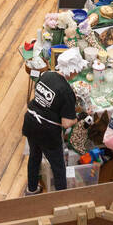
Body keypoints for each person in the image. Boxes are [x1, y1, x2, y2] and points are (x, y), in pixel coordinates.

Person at [22, 67, 78, 195]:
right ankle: (60, 198)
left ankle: (32, 189)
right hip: (47, 132)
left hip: (31, 122)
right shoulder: (66, 91)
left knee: (34, 156)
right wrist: (78, 117)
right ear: (73, 71)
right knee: (58, 166)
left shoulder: (47, 74)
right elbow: (66, 123)